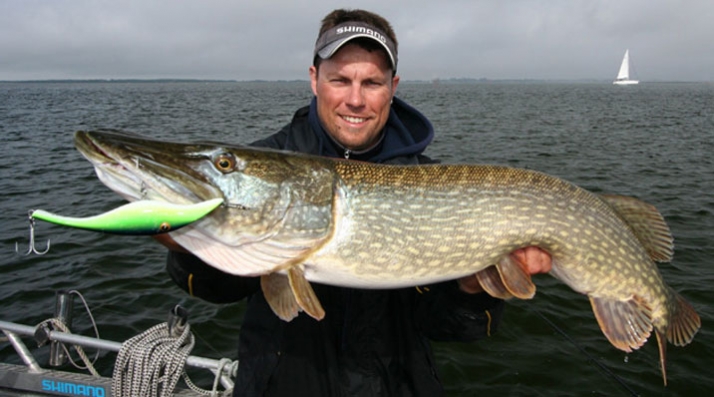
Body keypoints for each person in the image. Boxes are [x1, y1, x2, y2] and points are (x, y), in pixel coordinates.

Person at [158, 9, 552, 397]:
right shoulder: (266, 160)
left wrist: (474, 288)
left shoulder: (429, 179)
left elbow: (450, 327)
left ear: (393, 87)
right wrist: (194, 245)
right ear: (315, 79)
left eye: (372, 83)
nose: (355, 99)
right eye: (340, 80)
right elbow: (213, 289)